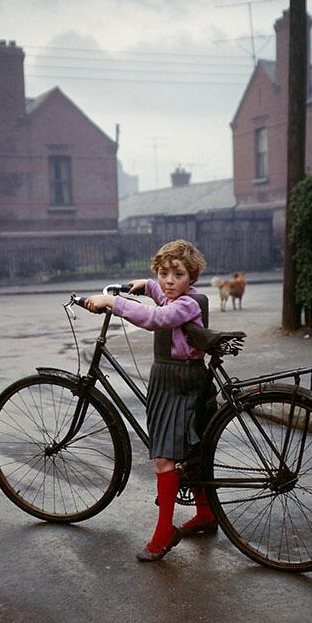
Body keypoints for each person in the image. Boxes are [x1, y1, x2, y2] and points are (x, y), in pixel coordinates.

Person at [84, 239, 217, 562]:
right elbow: (156, 291)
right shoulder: (171, 292)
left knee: (164, 457)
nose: (169, 281)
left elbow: (156, 319)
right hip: (173, 380)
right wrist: (140, 285)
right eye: (164, 273)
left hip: (179, 383)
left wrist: (112, 303)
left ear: (192, 278)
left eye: (178, 274)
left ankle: (163, 533)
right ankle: (205, 514)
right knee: (192, 451)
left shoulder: (187, 304)